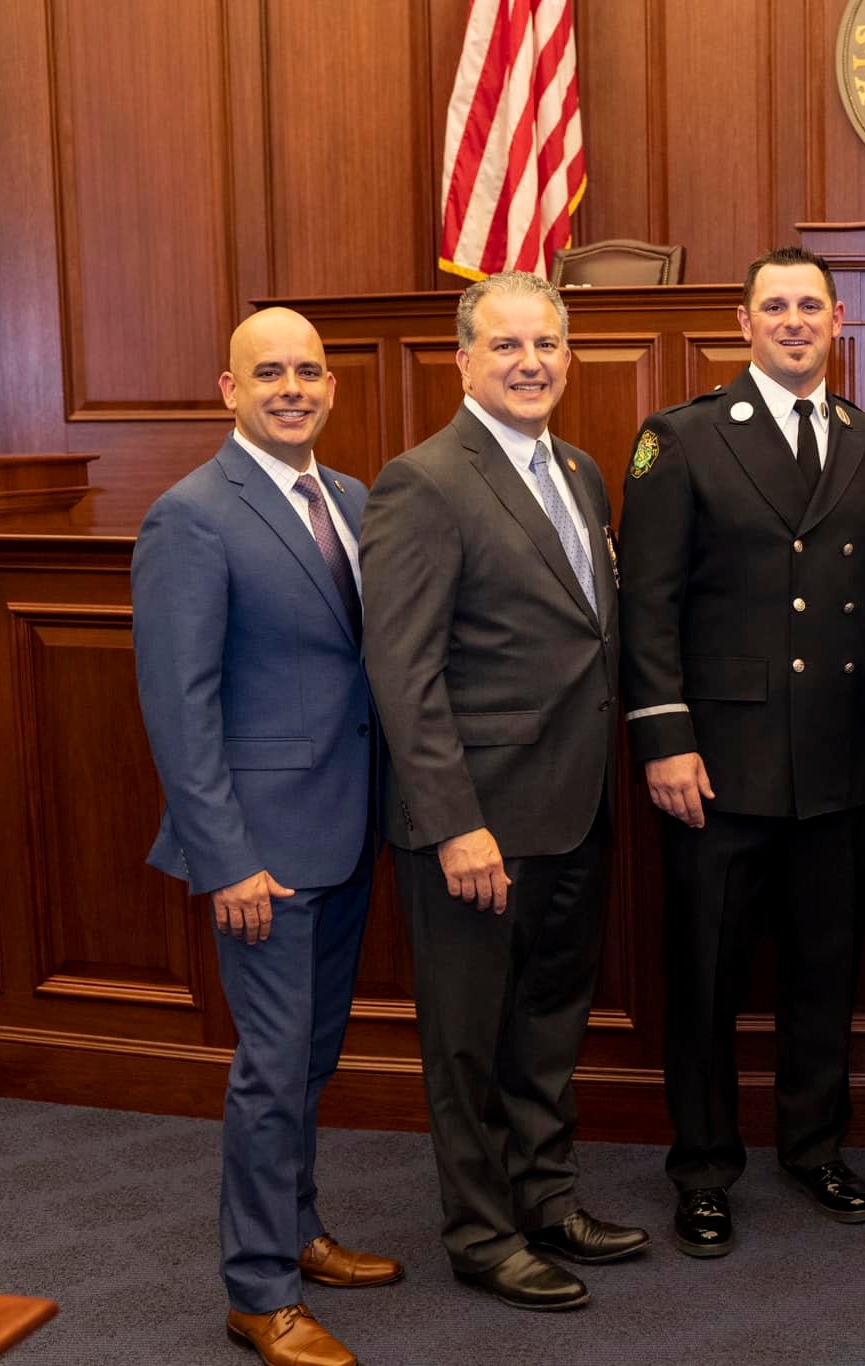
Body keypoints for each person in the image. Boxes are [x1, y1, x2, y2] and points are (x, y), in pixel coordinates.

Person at [360, 270, 646, 1313]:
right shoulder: (422, 481)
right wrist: (454, 823)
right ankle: (480, 1232)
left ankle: (545, 1197)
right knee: (470, 1040)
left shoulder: (575, 468)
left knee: (548, 1025)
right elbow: (403, 670)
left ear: (569, 357)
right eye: (507, 345)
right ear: (464, 359)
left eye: (547, 345)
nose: (531, 362)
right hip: (475, 827)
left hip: (574, 807)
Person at [619, 246, 865, 1257]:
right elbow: (646, 600)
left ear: (836, 321)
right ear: (741, 324)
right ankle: (701, 1168)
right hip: (718, 764)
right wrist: (663, 737)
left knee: (823, 972)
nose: (793, 323)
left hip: (837, 761)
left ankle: (812, 1146)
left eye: (809, 308)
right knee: (702, 977)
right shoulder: (681, 438)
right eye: (773, 307)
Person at [133, 308, 397, 1366]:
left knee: (311, 1056)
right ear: (227, 389)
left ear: (331, 387)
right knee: (272, 1065)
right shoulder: (190, 514)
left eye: (308, 371)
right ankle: (257, 1290)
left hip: (345, 826)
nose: (292, 387)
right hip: (260, 849)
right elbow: (176, 704)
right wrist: (223, 855)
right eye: (268, 372)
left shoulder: (351, 498)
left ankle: (296, 1229)